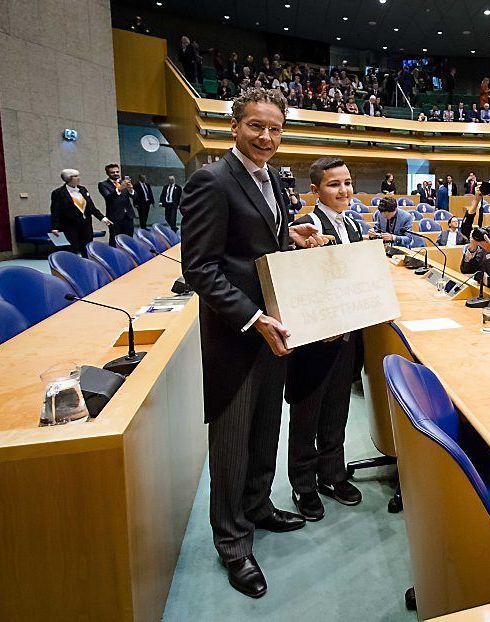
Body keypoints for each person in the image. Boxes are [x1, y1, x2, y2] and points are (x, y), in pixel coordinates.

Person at [179, 87, 324, 599]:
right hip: (237, 334)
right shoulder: (211, 181)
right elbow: (199, 268)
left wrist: (295, 241)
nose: (266, 137)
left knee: (267, 425)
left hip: (275, 328)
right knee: (232, 442)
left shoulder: (274, 181)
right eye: (256, 126)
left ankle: (258, 506)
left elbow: (264, 243)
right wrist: (253, 317)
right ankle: (232, 542)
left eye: (275, 129)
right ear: (234, 127)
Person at [285, 157, 365, 521]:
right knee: (307, 413)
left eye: (347, 183)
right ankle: (303, 483)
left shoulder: (352, 225)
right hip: (314, 341)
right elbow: (294, 284)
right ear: (315, 191)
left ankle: (332, 473)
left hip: (347, 334)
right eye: (334, 185)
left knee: (337, 409)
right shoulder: (304, 226)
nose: (344, 190)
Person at [49, 169, 112, 257]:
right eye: (76, 176)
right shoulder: (58, 193)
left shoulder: (82, 189)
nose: (79, 178)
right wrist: (55, 227)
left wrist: (102, 218)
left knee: (87, 248)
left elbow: (91, 207)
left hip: (86, 224)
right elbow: (55, 211)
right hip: (70, 226)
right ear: (68, 178)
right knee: (72, 249)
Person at [98, 164, 136, 246]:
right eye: (112, 172)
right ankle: (115, 256)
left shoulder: (123, 183)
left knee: (129, 239)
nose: (115, 173)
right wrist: (119, 189)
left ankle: (129, 256)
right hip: (114, 217)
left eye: (117, 171)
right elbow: (108, 197)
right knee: (114, 239)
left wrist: (131, 189)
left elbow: (135, 197)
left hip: (128, 215)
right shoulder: (103, 184)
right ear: (107, 173)